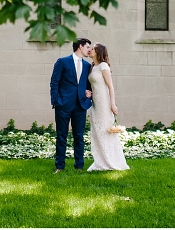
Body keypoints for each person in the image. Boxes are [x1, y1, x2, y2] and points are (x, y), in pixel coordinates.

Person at [49, 38, 93, 173]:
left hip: (80, 106)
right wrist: (55, 101)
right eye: (87, 47)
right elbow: (54, 82)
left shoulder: (87, 66)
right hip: (63, 105)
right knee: (61, 136)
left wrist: (88, 92)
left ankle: (79, 166)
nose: (89, 50)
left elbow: (87, 84)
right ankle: (59, 166)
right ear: (80, 47)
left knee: (79, 137)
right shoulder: (62, 62)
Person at [87, 43, 129, 171]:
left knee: (106, 131)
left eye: (93, 49)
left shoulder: (103, 66)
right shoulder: (92, 67)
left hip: (104, 103)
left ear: (98, 52)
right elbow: (95, 85)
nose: (90, 50)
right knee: (97, 131)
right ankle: (100, 161)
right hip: (95, 102)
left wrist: (112, 104)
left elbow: (110, 86)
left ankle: (111, 161)